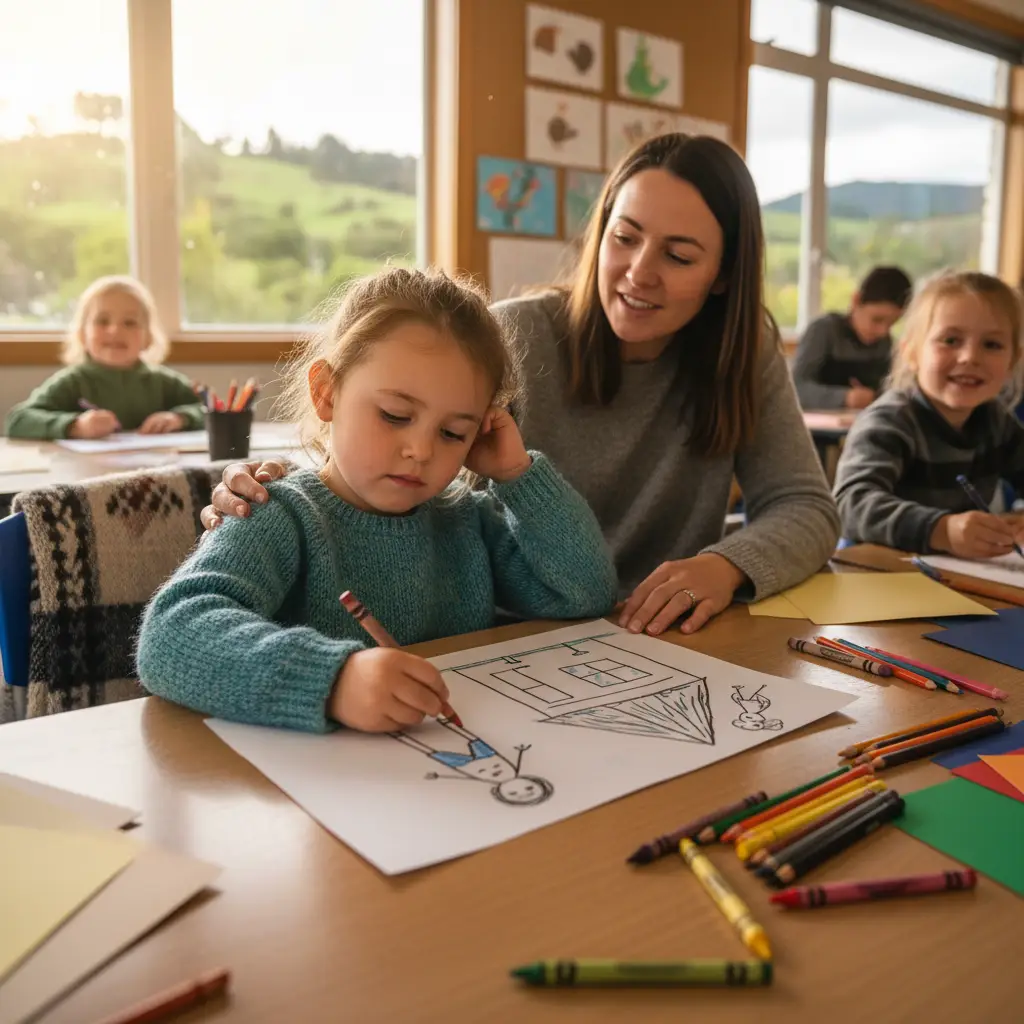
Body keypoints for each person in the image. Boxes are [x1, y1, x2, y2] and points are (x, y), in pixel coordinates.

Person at [198, 134, 841, 635]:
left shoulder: (743, 349)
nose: (639, 273)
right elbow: (374, 461)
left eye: (678, 256)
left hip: (666, 638)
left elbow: (808, 508)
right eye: (624, 238)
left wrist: (725, 566)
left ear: (724, 275)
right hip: (514, 639)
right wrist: (260, 487)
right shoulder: (511, 337)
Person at [136, 267, 618, 735]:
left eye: (453, 432)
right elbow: (170, 636)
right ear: (327, 393)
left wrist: (518, 476)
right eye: (394, 415)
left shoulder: (468, 519)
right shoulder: (276, 512)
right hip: (312, 788)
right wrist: (332, 682)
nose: (422, 451)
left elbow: (582, 593)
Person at [833, 270, 1024, 556]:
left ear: (1012, 362)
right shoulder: (890, 422)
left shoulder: (997, 421)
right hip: (874, 578)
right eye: (950, 340)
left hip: (959, 577)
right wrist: (942, 530)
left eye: (992, 345)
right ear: (911, 353)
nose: (970, 357)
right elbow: (849, 505)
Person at [5, 275, 205, 440]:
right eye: (102, 321)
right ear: (82, 334)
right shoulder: (73, 381)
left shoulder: (163, 382)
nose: (115, 330)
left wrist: (179, 418)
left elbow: (213, 410)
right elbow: (18, 420)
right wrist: (75, 426)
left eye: (129, 322)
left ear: (148, 337)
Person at [792, 265, 913, 411]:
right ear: (856, 301)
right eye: (877, 319)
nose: (883, 331)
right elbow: (796, 388)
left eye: (892, 324)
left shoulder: (885, 344)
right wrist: (845, 397)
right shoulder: (823, 331)